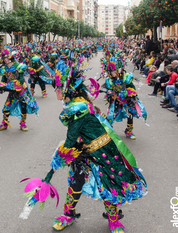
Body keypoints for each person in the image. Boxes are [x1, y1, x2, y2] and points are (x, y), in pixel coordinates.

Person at [21, 60, 147, 232]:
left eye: (57, 89)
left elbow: (70, 139)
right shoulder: (77, 102)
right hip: (83, 149)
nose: (56, 92)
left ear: (66, 90)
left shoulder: (77, 107)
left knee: (107, 185)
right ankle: (68, 215)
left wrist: (58, 159)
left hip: (102, 151)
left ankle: (113, 220)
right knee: (76, 182)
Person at [0, 48, 39, 131]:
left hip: (21, 90)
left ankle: (23, 123)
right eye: (3, 58)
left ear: (10, 57)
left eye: (6, 57)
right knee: (6, 106)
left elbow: (21, 80)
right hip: (12, 90)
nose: (5, 59)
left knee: (23, 106)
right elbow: (3, 81)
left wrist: (12, 85)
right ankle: (4, 123)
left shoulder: (18, 66)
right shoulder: (4, 69)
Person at [104, 58, 147, 140]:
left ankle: (129, 131)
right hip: (117, 99)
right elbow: (108, 89)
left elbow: (132, 89)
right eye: (111, 72)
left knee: (130, 115)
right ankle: (108, 130)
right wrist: (109, 93)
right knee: (112, 114)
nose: (112, 73)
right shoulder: (109, 80)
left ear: (118, 70)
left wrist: (128, 92)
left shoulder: (125, 77)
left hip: (127, 99)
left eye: (114, 71)